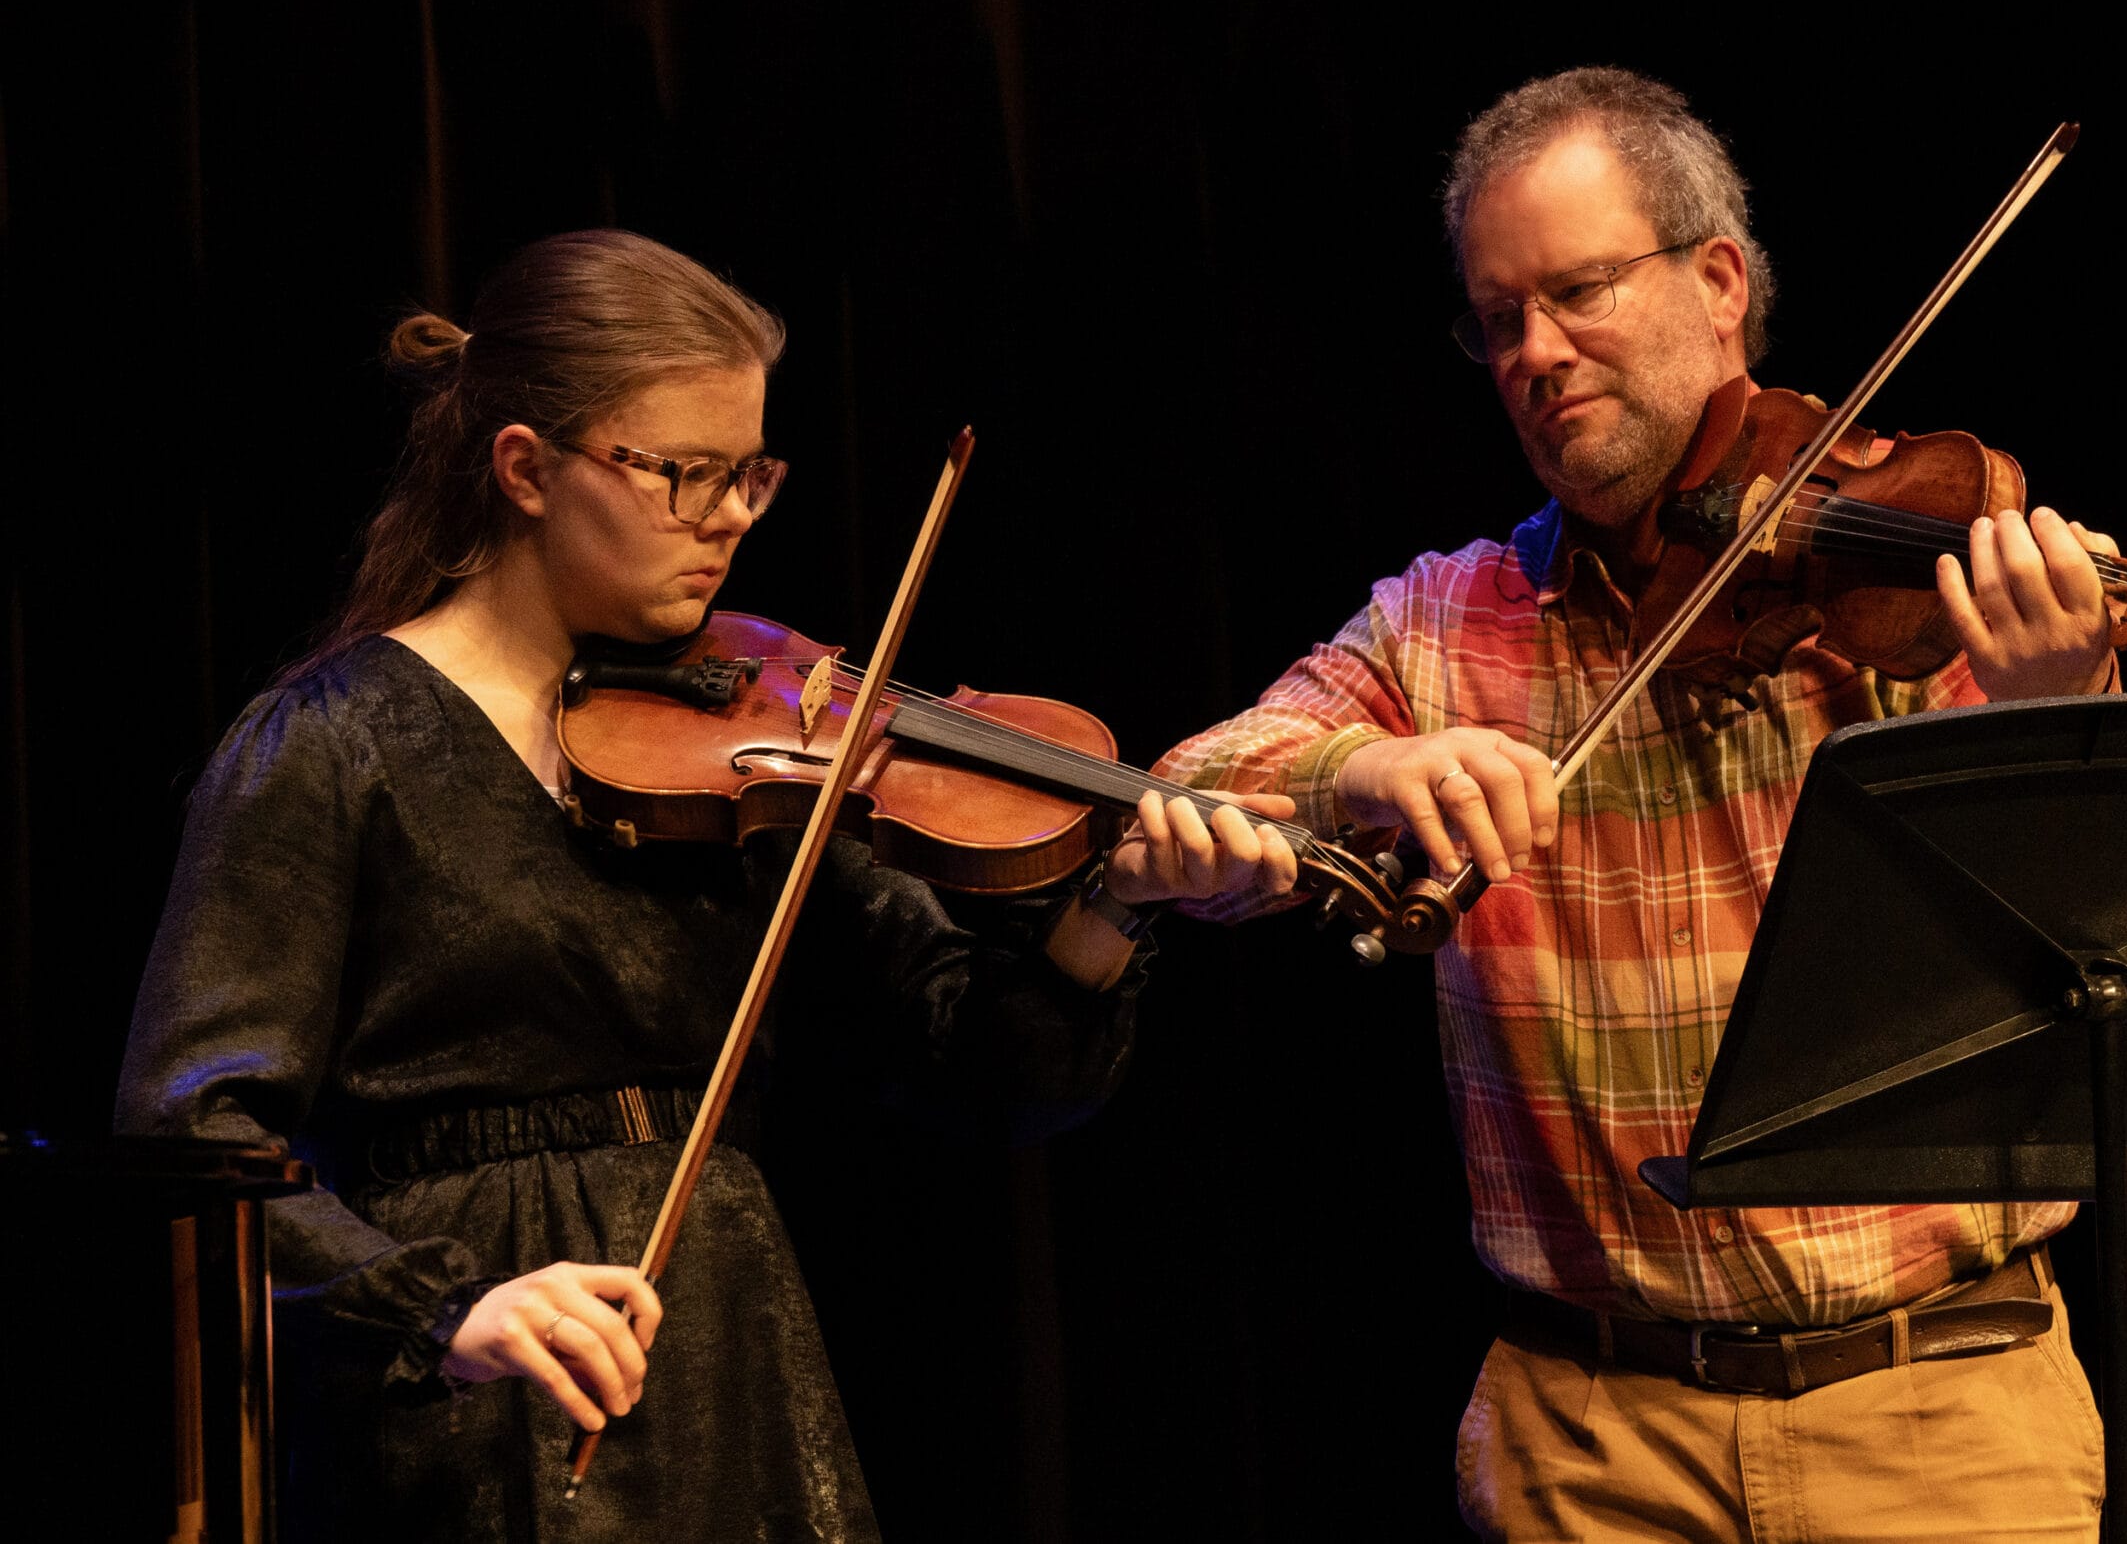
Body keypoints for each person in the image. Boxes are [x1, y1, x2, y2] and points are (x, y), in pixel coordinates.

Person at [115, 229, 1295, 1543]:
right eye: (689, 474)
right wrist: (442, 1309)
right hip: (466, 1397)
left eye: (751, 474)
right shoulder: (334, 741)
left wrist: (1115, 907)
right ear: (526, 469)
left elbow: (988, 1068)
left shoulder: (747, 745)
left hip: (727, 1349)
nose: (732, 516)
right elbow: (193, 1137)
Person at [1155, 70, 2121, 1540]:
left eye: (1580, 291)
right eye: (1500, 319)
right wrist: (1364, 769)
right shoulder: (1444, 622)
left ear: (1718, 282)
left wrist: (2060, 696)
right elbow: (1184, 793)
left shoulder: (1908, 589)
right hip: (1586, 1444)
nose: (1537, 353)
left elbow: (2091, 921)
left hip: (1936, 1406)